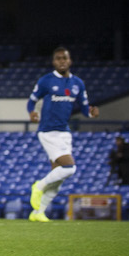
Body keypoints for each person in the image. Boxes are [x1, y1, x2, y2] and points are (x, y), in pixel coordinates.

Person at [27, 47, 99, 222]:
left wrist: (91, 113)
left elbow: (84, 108)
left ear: (70, 60)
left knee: (58, 179)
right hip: (48, 131)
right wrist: (32, 112)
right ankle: (38, 186)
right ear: (54, 62)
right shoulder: (46, 81)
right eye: (58, 58)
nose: (62, 61)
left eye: (64, 58)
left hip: (64, 133)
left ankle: (38, 213)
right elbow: (32, 100)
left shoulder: (78, 84)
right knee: (69, 167)